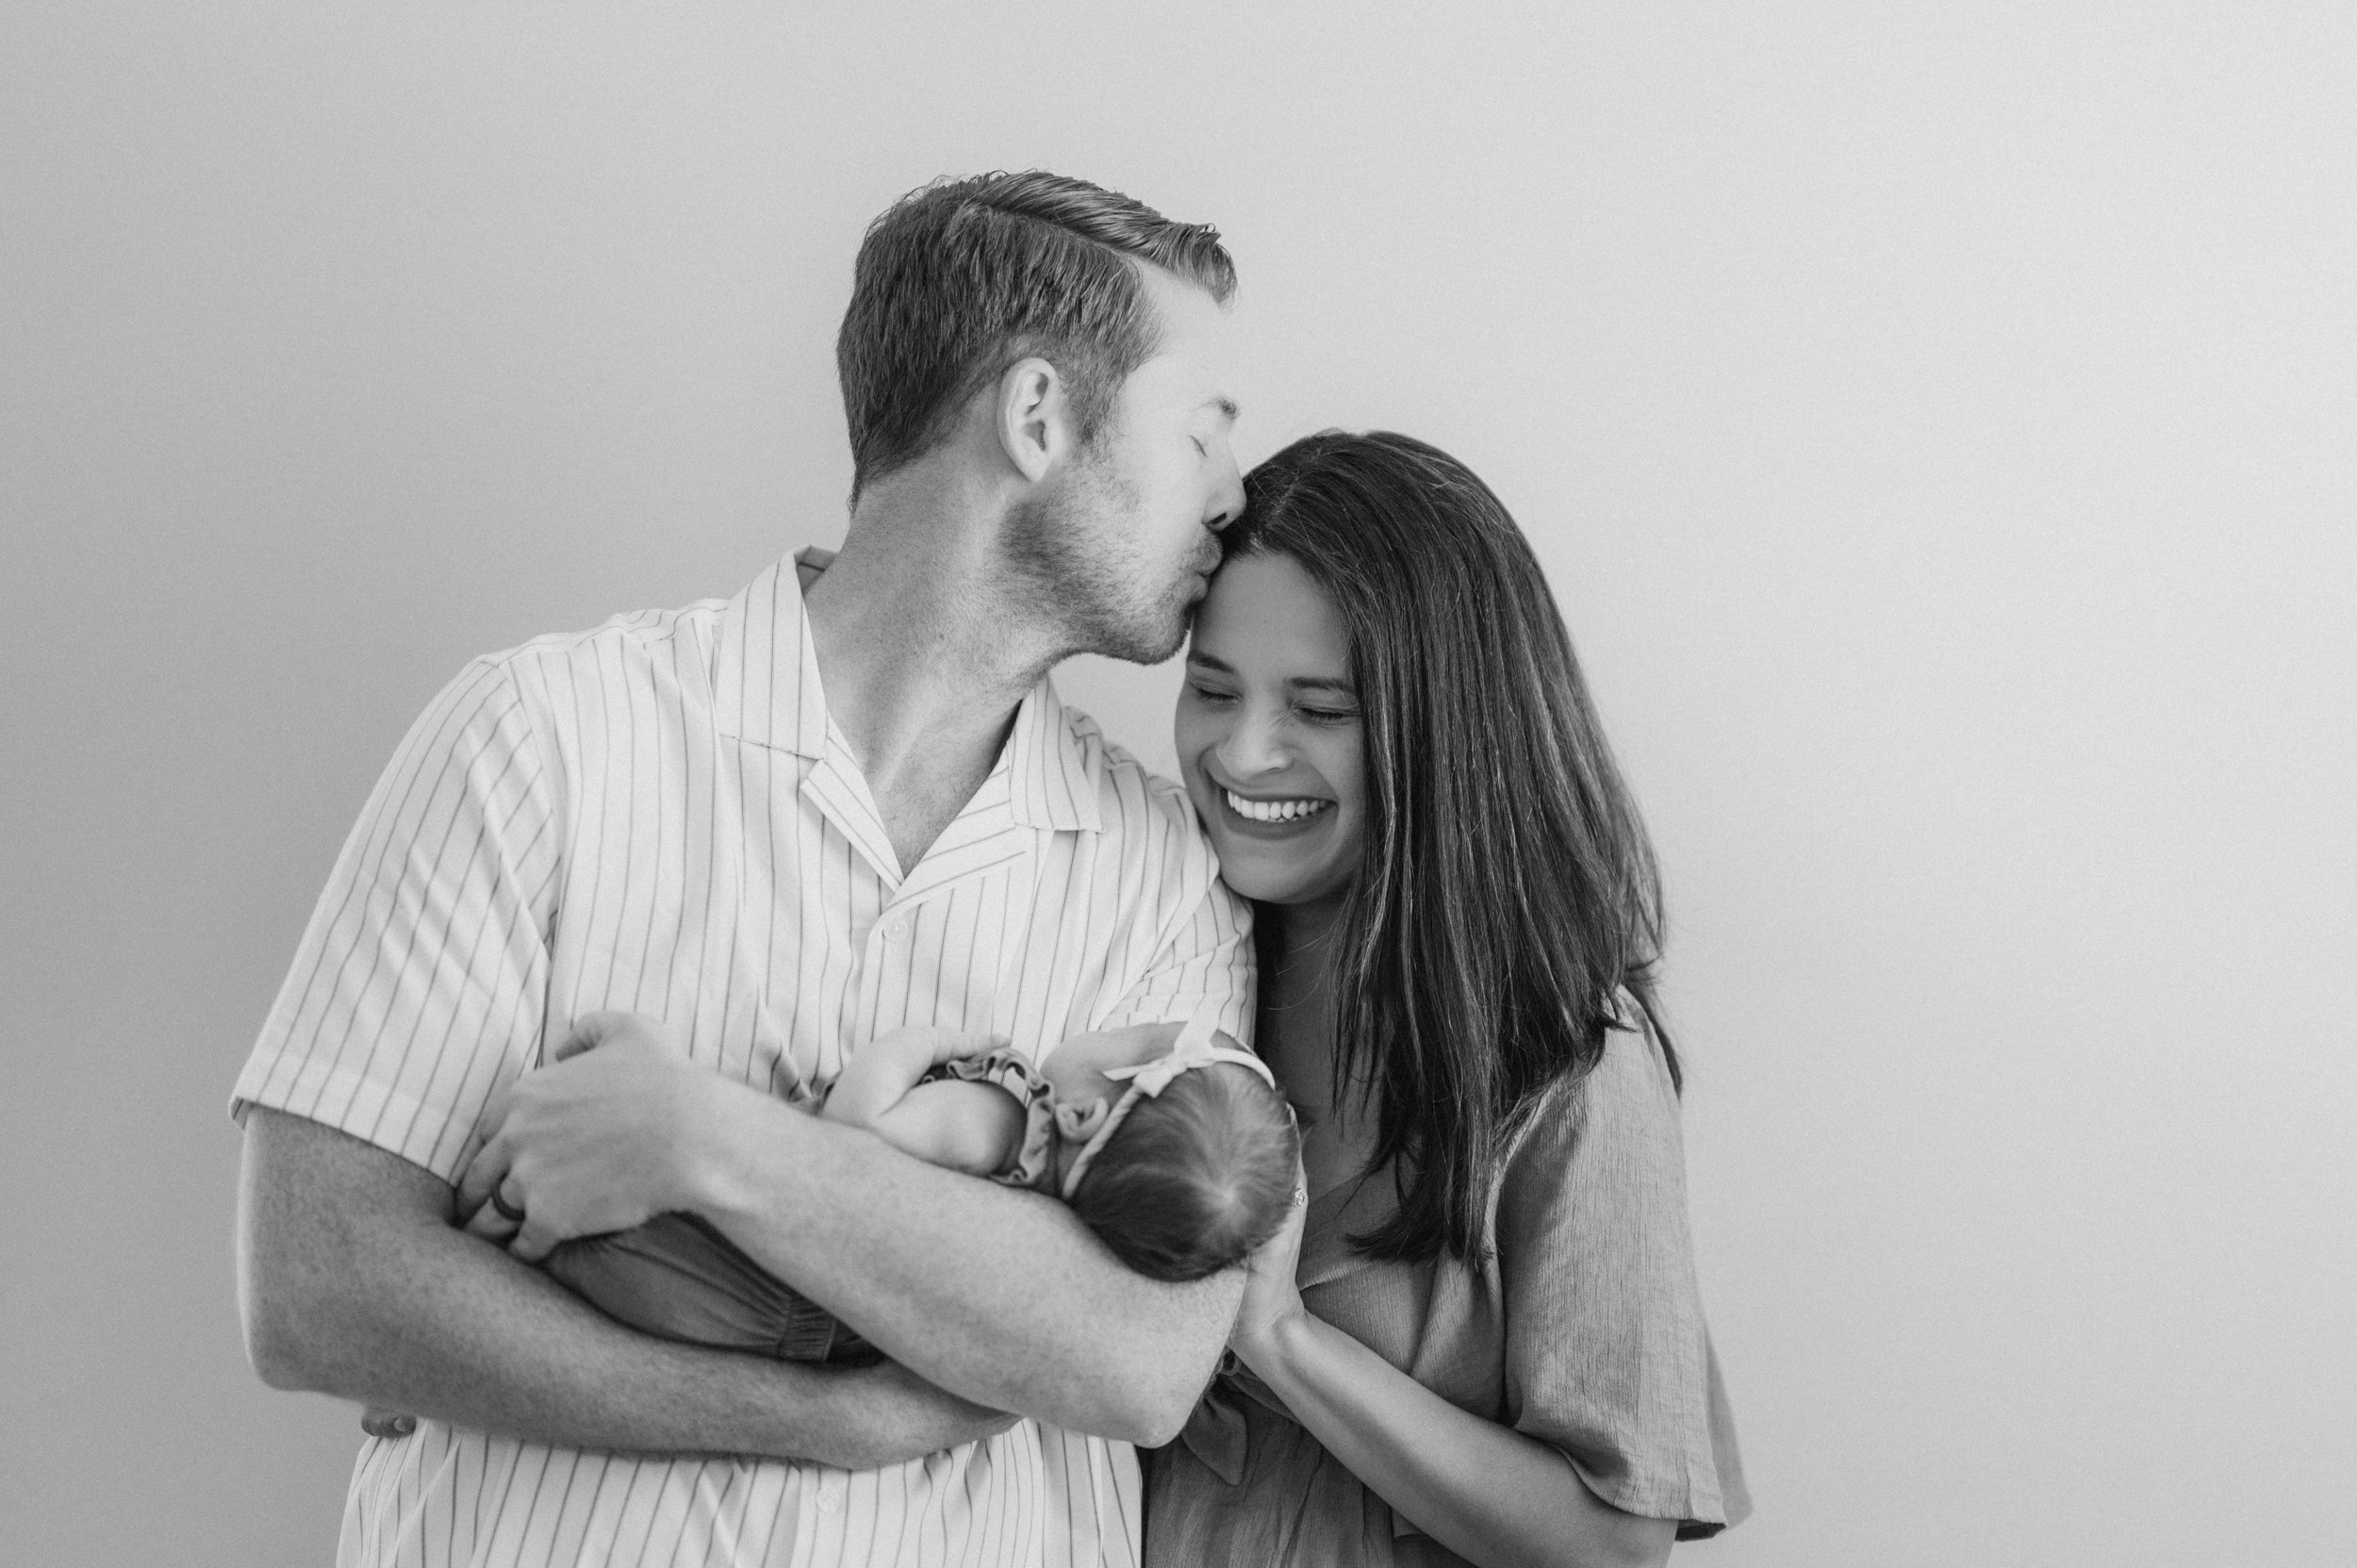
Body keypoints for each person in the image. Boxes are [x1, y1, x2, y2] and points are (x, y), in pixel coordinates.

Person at [232, 170, 1256, 1568]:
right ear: (1038, 418)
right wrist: (808, 1413)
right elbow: (321, 1282)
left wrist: (700, 1136)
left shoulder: (1160, 875)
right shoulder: (537, 739)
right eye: (1201, 436)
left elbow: (1140, 1359)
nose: (1235, 497)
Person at [1146, 431, 1751, 1566]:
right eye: (1212, 689)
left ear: (1445, 733)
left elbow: (1614, 1543)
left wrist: (1280, 1340)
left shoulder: (1570, 1064)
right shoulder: (1162, 971)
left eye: (1318, 709)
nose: (1241, 752)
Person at [456, 1010, 1296, 1366]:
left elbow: (855, 1144)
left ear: (1079, 1113)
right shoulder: (1064, 1232)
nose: (1124, 1018)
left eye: (1143, 1031)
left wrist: (918, 1041)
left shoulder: (997, 1121)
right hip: (804, 1323)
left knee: (555, 1253)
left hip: (745, 1271)